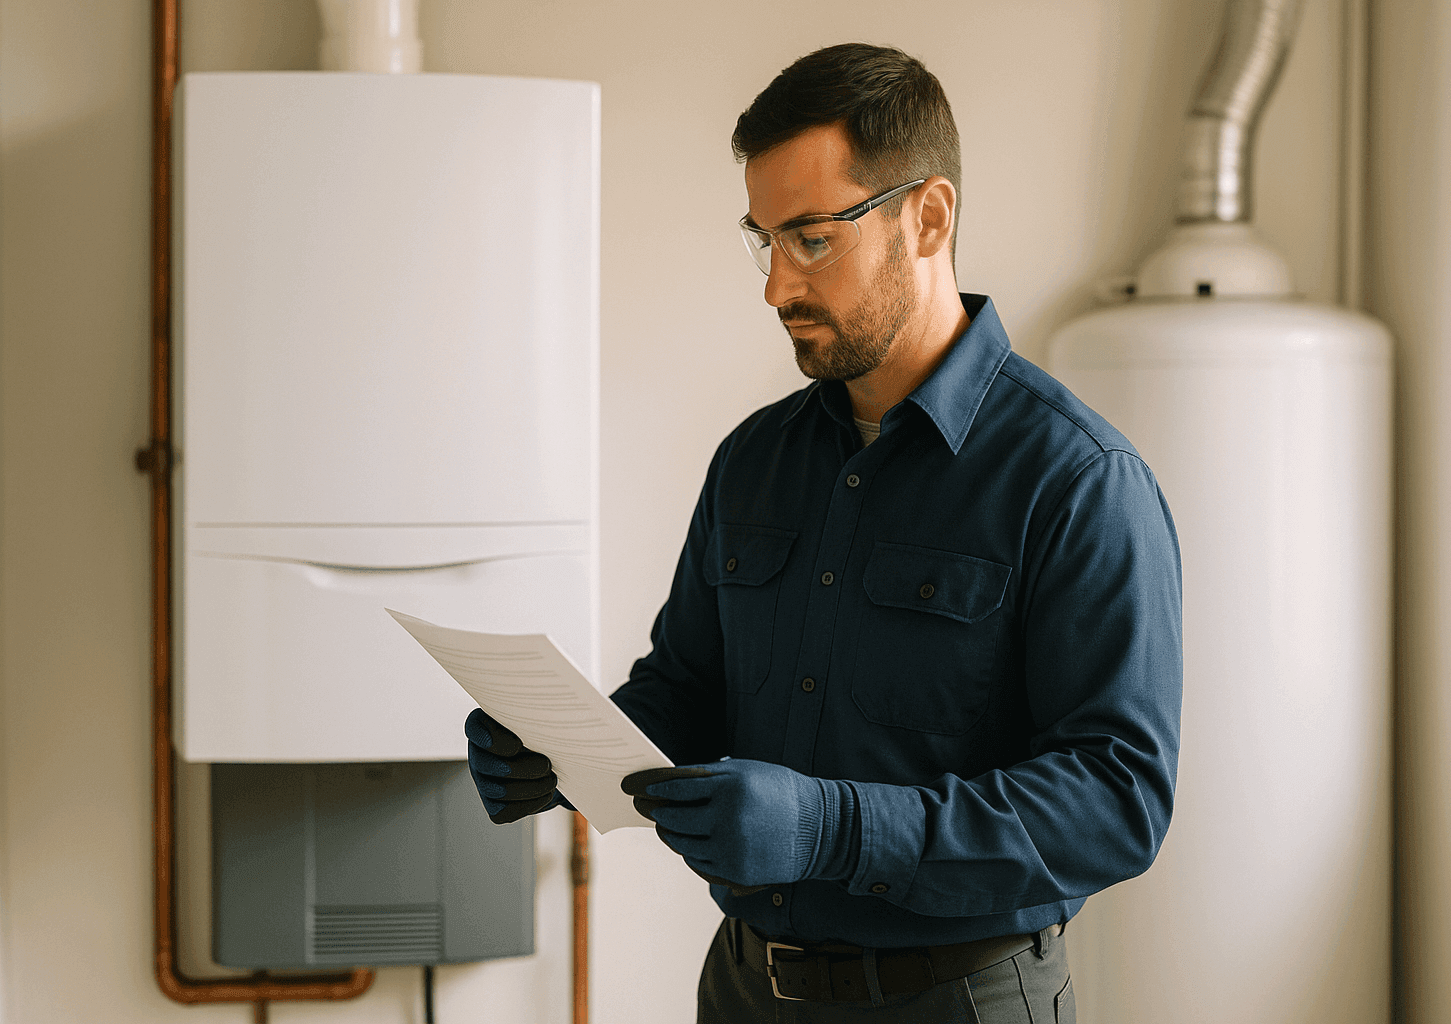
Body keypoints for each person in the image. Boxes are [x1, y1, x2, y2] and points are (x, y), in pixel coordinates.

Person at [465, 42, 1182, 1022]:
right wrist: (561, 751)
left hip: (960, 998)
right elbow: (686, 687)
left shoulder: (1078, 481)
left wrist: (833, 829)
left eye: (812, 237)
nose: (776, 287)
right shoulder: (750, 462)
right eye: (765, 239)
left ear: (927, 217)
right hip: (745, 989)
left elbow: (1117, 800)